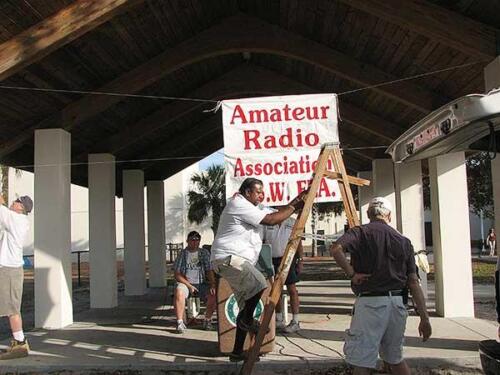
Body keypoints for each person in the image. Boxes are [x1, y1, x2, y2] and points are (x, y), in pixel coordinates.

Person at [330, 197, 431, 375]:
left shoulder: (360, 232)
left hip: (370, 304)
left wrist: (352, 273)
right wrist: (424, 318)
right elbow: (413, 282)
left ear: (368, 214)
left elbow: (336, 249)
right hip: (397, 305)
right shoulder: (403, 241)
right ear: (389, 216)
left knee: (362, 361)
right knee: (395, 358)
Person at [211, 177, 307, 362]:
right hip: (229, 259)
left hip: (235, 261)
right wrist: (295, 205)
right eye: (258, 192)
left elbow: (278, 213)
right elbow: (272, 220)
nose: (262, 195)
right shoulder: (239, 203)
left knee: (245, 306)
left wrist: (298, 201)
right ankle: (247, 322)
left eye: (263, 192)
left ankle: (237, 351)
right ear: (247, 192)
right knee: (260, 283)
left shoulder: (255, 207)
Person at [0, 195, 33, 360]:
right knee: (10, 309)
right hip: (8, 269)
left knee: (11, 309)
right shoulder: (17, 219)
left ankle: (20, 343)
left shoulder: (16, 219)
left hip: (9, 270)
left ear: (22, 208)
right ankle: (19, 343)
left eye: (17, 201)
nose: (13, 202)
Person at [263, 215, 304, 333]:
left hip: (288, 258)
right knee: (275, 290)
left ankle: (295, 321)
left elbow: (298, 241)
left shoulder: (292, 222)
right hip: (272, 259)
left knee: (292, 289)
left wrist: (301, 260)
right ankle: (279, 319)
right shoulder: (269, 221)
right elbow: (263, 240)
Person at [173, 231, 216, 333]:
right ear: (187, 241)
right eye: (192, 239)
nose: (195, 242)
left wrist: (213, 284)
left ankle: (207, 320)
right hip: (186, 283)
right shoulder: (183, 254)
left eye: (197, 240)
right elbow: (177, 274)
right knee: (179, 292)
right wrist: (189, 286)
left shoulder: (204, 253)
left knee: (214, 293)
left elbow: (209, 270)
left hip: (201, 283)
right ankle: (180, 323)